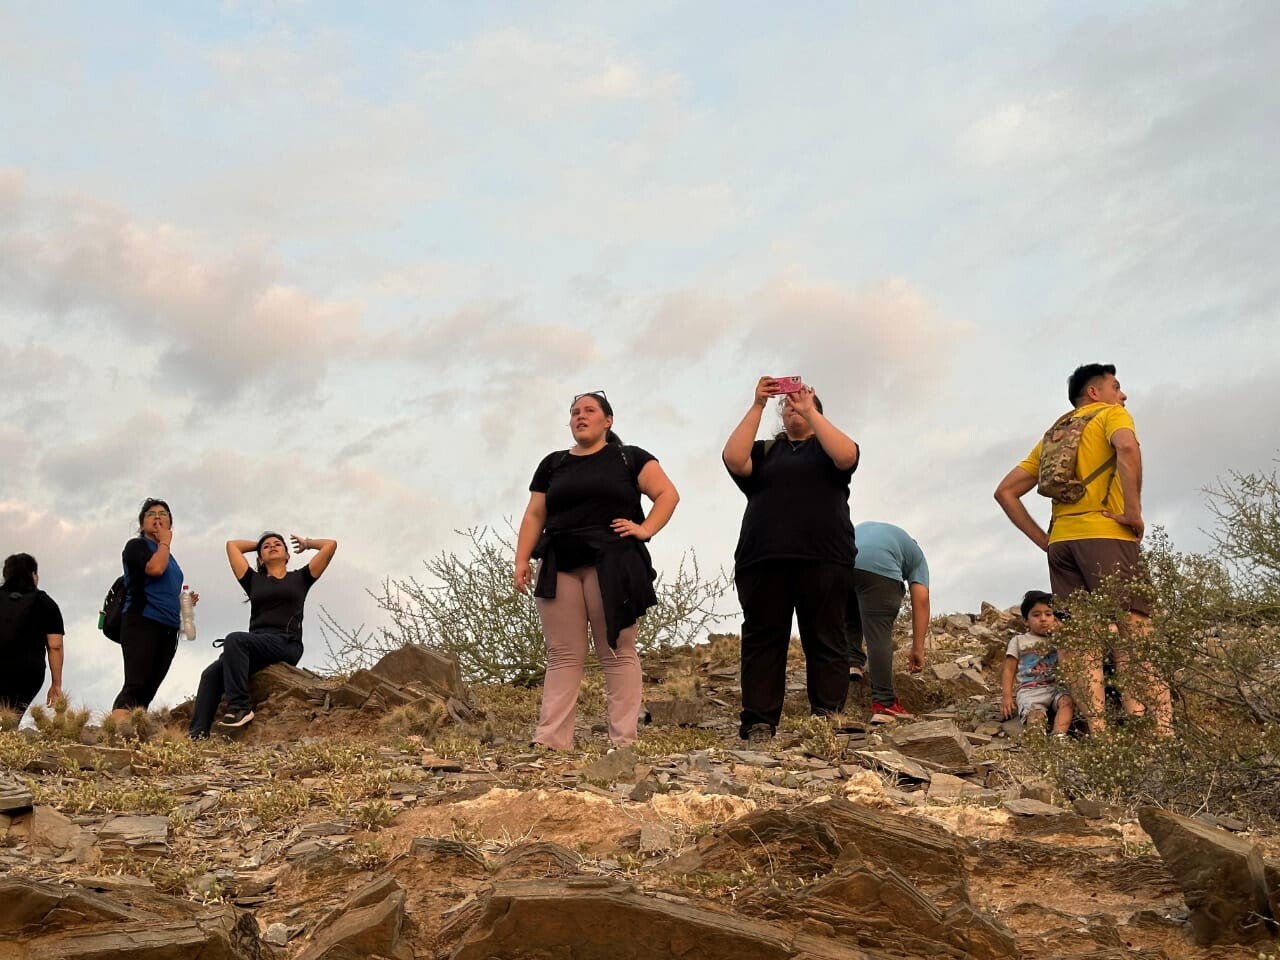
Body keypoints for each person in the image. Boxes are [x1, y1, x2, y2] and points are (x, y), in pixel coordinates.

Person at [994, 363, 1173, 735]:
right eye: (1116, 386)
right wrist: (1133, 512)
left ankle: (1101, 731)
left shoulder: (1055, 435)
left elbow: (1005, 492)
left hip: (1063, 542)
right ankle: (1160, 731)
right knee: (1136, 631)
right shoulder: (1112, 415)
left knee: (1082, 642)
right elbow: (1126, 447)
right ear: (1094, 393)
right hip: (1107, 533)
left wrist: (1045, 539)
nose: (1122, 395)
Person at [514, 391, 679, 751]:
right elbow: (535, 514)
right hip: (560, 561)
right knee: (563, 653)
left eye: (589, 410)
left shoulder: (628, 457)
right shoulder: (553, 463)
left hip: (614, 560)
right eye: (574, 412)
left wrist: (645, 528)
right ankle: (551, 740)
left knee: (617, 649)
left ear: (608, 420)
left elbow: (667, 494)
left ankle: (623, 742)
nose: (580, 416)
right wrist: (521, 559)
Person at [723, 377, 860, 742]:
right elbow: (733, 459)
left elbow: (848, 456)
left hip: (826, 557)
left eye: (800, 402)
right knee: (763, 640)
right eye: (787, 404)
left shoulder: (829, 451)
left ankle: (827, 717)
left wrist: (811, 411)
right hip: (763, 557)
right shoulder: (766, 451)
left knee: (826, 638)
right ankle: (759, 723)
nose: (792, 407)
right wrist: (758, 404)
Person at [189, 531, 336, 736]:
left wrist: (307, 543)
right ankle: (197, 734)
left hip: (286, 642)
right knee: (210, 675)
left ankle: (240, 707)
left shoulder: (301, 578)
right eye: (266, 546)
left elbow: (330, 545)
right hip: (255, 644)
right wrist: (258, 545)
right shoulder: (252, 580)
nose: (272, 546)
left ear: (287, 555)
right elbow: (232, 545)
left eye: (278, 544)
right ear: (260, 558)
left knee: (235, 640)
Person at [112, 498, 193, 724]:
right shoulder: (136, 546)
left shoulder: (171, 559)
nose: (157, 517)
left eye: (163, 513)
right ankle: (116, 734)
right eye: (150, 514)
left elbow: (163, 587)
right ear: (141, 524)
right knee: (136, 684)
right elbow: (155, 569)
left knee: (149, 688)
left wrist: (184, 602)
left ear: (170, 522)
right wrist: (165, 542)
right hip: (142, 620)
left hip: (168, 627)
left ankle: (134, 734)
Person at [845, 521, 929, 724]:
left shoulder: (867, 528)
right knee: (878, 632)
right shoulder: (916, 555)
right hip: (880, 571)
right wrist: (918, 648)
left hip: (841, 561)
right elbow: (921, 599)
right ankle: (885, 704)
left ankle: (852, 661)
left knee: (850, 607)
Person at [0, 554, 65, 717]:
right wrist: (56, 684)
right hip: (28, 672)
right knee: (11, 716)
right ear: (33, 575)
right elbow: (55, 646)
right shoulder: (46, 603)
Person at [1001, 591, 1074, 736]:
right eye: (1036, 615)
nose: (1043, 619)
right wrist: (1007, 697)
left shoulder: (1059, 639)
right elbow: (1009, 670)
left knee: (1067, 702)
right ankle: (1037, 736)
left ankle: (1059, 735)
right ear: (1025, 620)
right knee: (1034, 713)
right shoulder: (1019, 641)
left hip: (1055, 687)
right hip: (1030, 690)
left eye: (1048, 614)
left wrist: (1062, 633)